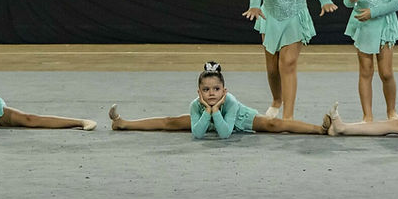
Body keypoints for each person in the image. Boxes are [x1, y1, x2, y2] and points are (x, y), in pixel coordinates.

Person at [109, 62, 329, 137]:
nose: (211, 93)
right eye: (206, 90)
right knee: (171, 122)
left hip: (239, 119)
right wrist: (208, 111)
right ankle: (124, 123)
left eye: (216, 89)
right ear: (199, 92)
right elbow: (197, 133)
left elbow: (225, 134)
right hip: (210, 117)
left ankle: (319, 129)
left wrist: (215, 111)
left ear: (225, 91)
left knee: (274, 124)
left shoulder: (230, 102)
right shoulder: (197, 105)